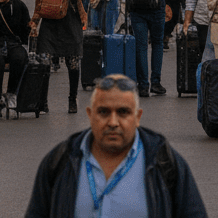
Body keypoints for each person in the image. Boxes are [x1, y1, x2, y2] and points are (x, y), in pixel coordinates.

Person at [23, 74, 207, 218]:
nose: (113, 122)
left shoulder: (165, 162)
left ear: (137, 117)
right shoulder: (59, 162)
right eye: (103, 112)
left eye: (123, 112)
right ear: (90, 115)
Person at [33, 0, 88, 114]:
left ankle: (72, 99)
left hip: (70, 17)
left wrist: (82, 14)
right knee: (45, 61)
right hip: (50, 15)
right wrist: (35, 19)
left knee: (73, 61)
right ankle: (42, 100)